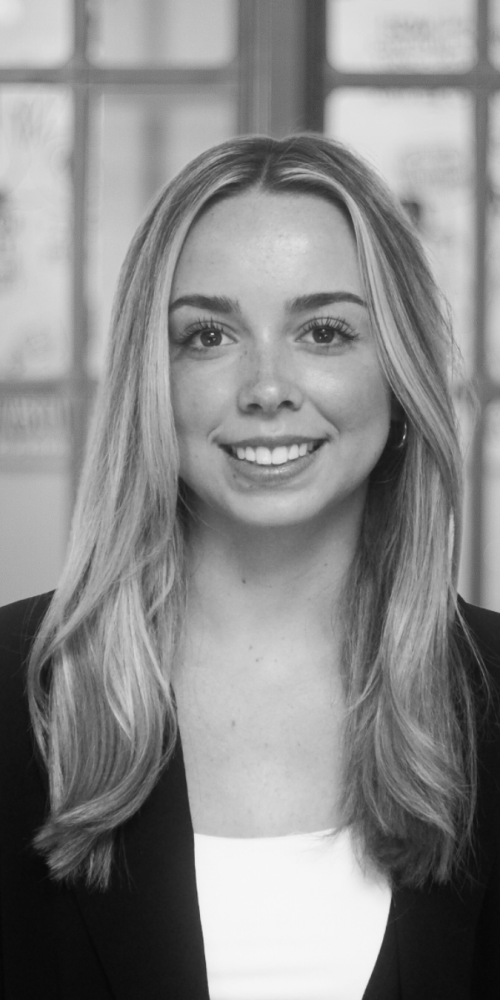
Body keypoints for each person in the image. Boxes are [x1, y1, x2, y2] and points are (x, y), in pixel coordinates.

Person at [1, 134, 499, 1000]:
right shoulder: (17, 693)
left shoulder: (492, 691)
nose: (267, 387)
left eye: (325, 331)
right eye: (209, 335)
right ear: (152, 381)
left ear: (400, 373)